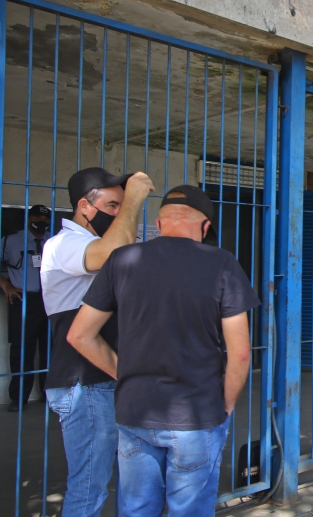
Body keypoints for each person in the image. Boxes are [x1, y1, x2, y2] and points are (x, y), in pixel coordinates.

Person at [67, 185, 259, 516]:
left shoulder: (123, 260)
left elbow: (80, 335)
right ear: (205, 226)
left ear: (159, 223)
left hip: (136, 411)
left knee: (137, 508)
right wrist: (225, 404)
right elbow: (240, 352)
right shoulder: (222, 264)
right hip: (198, 414)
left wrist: (122, 373)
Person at [41, 167, 154, 517]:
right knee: (88, 488)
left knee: (132, 481)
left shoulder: (90, 243)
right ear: (84, 207)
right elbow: (114, 253)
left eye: (122, 206)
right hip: (85, 384)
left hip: (108, 379)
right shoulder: (63, 245)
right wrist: (134, 197)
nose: (119, 213)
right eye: (112, 206)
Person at [2, 205, 52, 412]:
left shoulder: (55, 241)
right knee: (22, 350)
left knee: (51, 350)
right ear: (28, 218)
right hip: (24, 300)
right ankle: (19, 398)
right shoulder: (11, 241)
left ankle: (50, 395)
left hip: (52, 300)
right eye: (36, 216)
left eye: (45, 217)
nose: (41, 220)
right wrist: (6, 285)